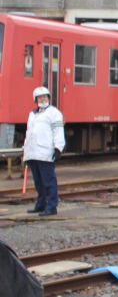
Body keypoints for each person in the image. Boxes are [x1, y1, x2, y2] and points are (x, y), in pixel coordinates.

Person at [22, 86, 65, 217]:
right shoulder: (32, 114)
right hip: (33, 153)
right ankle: (41, 204)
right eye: (40, 97)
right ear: (35, 100)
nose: (43, 99)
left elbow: (58, 131)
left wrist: (58, 148)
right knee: (38, 182)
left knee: (48, 181)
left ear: (49, 98)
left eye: (45, 96)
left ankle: (51, 206)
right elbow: (29, 133)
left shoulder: (54, 113)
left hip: (45, 153)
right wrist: (25, 152)